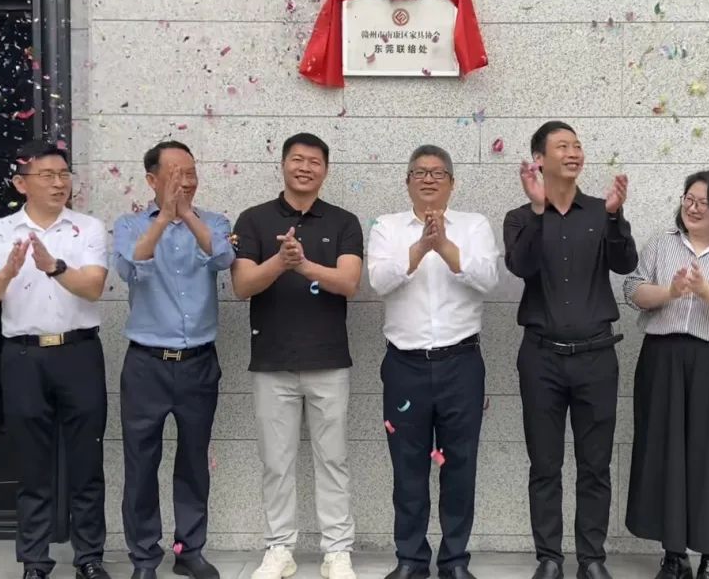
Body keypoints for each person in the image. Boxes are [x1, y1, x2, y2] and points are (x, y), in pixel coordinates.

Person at [0, 141, 110, 579]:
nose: (58, 183)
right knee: (32, 465)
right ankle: (35, 560)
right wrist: (8, 271)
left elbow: (93, 287)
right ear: (20, 183)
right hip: (24, 356)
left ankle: (89, 558)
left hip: (79, 352)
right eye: (47, 175)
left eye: (64, 174)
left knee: (87, 462)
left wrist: (54, 266)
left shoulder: (87, 228)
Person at [503, 121, 638, 579]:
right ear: (540, 159)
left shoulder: (601, 210)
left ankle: (591, 559)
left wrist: (615, 217)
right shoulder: (520, 217)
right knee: (545, 464)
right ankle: (549, 558)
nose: (573, 152)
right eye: (562, 146)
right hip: (540, 357)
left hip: (597, 356)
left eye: (577, 145)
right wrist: (539, 210)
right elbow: (521, 266)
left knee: (594, 465)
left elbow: (625, 263)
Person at [231, 133, 363, 579]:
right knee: (276, 462)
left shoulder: (344, 222)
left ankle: (337, 551)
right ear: (283, 164)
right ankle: (279, 548)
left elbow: (349, 283)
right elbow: (242, 285)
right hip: (272, 362)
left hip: (329, 361)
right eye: (297, 159)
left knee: (333, 459)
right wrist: (280, 261)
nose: (305, 168)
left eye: (314, 161)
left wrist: (303, 264)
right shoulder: (253, 219)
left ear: (325, 170)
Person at [368, 146, 500, 579]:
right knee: (407, 467)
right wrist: (421, 247)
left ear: (452, 182)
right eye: (419, 172)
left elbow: (488, 279)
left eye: (438, 172)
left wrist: (443, 245)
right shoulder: (386, 227)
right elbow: (379, 281)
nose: (428, 179)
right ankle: (410, 559)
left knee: (460, 465)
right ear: (407, 181)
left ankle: (455, 560)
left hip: (461, 362)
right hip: (404, 365)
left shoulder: (474, 225)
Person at [622, 170, 709, 579]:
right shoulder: (662, 244)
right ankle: (673, 555)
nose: (693, 208)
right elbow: (632, 291)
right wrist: (669, 292)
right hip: (663, 359)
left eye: (704, 202)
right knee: (665, 452)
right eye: (689, 198)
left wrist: (705, 290)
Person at [112, 141, 235, 579]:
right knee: (141, 463)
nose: (186, 181)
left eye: (191, 172)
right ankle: (144, 557)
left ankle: (189, 551)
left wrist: (187, 216)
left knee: (194, 460)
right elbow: (130, 268)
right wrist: (164, 218)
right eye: (175, 173)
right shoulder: (129, 225)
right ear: (152, 180)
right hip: (146, 363)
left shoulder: (214, 222)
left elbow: (223, 257)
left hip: (198, 361)